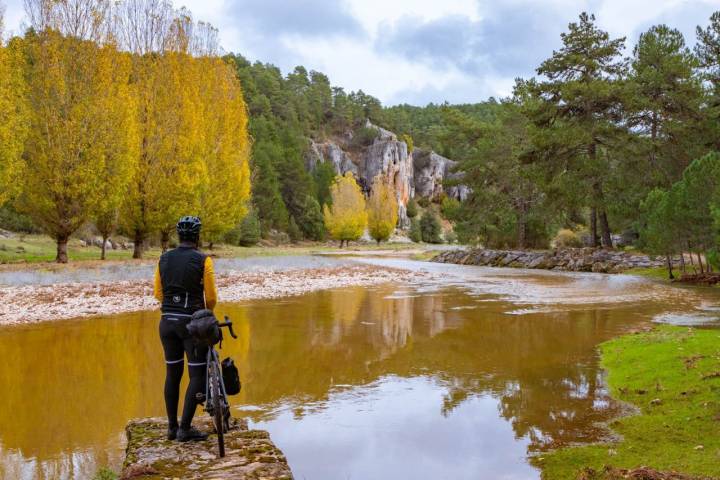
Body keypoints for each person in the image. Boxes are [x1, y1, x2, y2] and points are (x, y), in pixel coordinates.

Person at [153, 216, 217, 442]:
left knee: (173, 374)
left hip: (166, 322)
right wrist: (206, 313)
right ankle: (184, 429)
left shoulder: (163, 259)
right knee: (196, 375)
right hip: (192, 324)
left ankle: (171, 428)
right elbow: (210, 297)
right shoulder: (203, 260)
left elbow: (158, 293)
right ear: (197, 237)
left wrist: (171, 305)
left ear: (178, 236)